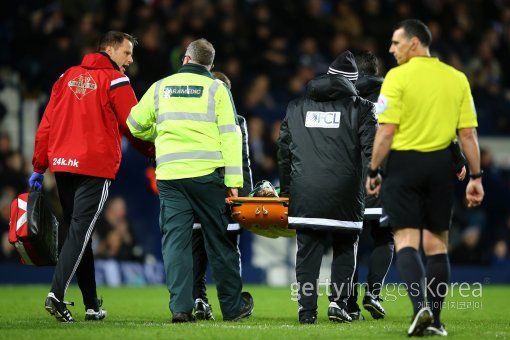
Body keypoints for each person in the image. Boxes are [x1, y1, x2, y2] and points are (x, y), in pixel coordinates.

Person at [366, 19, 484, 337]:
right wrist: (476, 176)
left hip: (404, 165)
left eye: (396, 43)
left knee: (406, 240)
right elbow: (469, 134)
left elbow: (386, 130)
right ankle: (438, 321)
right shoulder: (456, 78)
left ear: (414, 43)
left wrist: (374, 170)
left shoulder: (397, 77)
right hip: (440, 166)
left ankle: (420, 309)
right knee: (436, 245)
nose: (391, 49)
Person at [28, 31, 154, 322]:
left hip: (62, 164)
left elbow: (47, 122)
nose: (130, 59)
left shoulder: (66, 77)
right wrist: (153, 150)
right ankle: (56, 295)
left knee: (77, 231)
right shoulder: (116, 80)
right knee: (80, 232)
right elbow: (133, 125)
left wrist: (39, 165)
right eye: (126, 52)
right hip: (94, 166)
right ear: (109, 49)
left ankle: (91, 304)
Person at [127, 38, 254, 323]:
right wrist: (234, 180)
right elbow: (231, 136)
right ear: (210, 65)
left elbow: (134, 124)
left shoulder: (160, 87)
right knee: (220, 243)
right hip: (207, 176)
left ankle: (181, 309)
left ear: (185, 58)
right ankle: (232, 307)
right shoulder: (217, 89)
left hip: (171, 176)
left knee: (176, 243)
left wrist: (158, 133)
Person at [278, 50, 377, 324]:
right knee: (346, 247)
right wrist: (375, 181)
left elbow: (284, 152)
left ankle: (306, 311)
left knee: (307, 251)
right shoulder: (363, 109)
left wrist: (287, 190)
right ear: (352, 82)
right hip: (345, 194)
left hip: (305, 192)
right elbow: (373, 152)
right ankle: (338, 303)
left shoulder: (295, 107)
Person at [192, 71, 253, 320]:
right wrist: (244, 197)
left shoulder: (192, 119)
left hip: (194, 191)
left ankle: (197, 298)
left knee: (196, 248)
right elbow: (242, 160)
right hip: (227, 195)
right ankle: (232, 301)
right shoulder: (236, 120)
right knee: (227, 249)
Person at [345, 50, 394, 321]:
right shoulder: (392, 94)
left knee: (347, 240)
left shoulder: (341, 94)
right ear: (375, 70)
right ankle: (373, 294)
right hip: (381, 175)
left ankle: (348, 304)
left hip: (348, 179)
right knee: (384, 236)